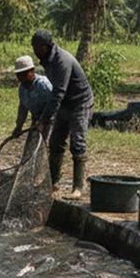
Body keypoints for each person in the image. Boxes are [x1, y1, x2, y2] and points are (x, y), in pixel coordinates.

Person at [31, 29, 94, 197]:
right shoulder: (47, 59)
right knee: (56, 143)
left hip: (80, 102)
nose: (34, 50)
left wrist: (44, 120)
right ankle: (53, 184)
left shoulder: (61, 60)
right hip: (65, 104)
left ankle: (78, 187)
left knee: (77, 143)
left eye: (36, 47)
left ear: (44, 46)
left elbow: (58, 92)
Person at [11, 55, 54, 138]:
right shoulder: (22, 88)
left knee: (47, 144)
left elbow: (55, 105)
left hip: (51, 120)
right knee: (31, 145)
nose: (21, 78)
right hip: (36, 119)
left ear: (32, 71)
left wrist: (43, 121)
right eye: (18, 75)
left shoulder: (43, 85)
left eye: (24, 75)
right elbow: (23, 109)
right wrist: (19, 126)